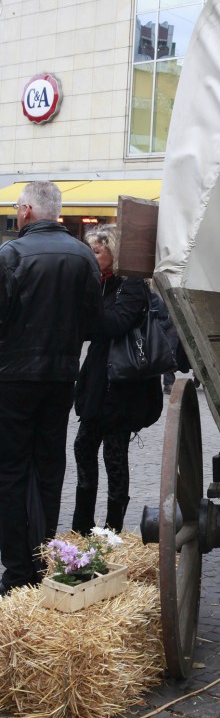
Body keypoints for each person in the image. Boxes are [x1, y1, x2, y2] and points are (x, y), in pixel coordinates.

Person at [0, 181, 102, 595]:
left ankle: (17, 569)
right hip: (60, 376)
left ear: (26, 210)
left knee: (10, 470)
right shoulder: (83, 255)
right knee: (49, 467)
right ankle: (41, 558)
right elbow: (93, 322)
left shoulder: (11, 254)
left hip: (13, 376)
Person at [72, 225, 163, 535]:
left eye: (96, 251)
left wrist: (86, 306)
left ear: (113, 251)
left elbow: (115, 323)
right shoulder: (103, 283)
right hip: (100, 378)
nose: (92, 256)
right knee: (84, 446)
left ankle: (112, 529)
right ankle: (82, 527)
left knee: (114, 455)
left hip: (122, 384)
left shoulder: (132, 285)